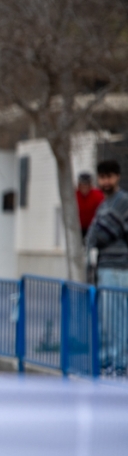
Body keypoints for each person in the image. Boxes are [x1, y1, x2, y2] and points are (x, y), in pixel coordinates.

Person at [86, 160, 128, 374]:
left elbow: (102, 233)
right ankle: (105, 362)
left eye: (109, 177)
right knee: (105, 320)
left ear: (117, 177)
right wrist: (94, 234)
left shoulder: (122, 202)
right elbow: (91, 236)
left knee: (117, 320)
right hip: (105, 269)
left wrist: (95, 234)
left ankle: (119, 365)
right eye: (102, 178)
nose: (106, 182)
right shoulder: (104, 205)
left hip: (118, 269)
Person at [76, 172, 105, 238]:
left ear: (90, 185)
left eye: (86, 185)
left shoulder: (98, 195)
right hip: (78, 229)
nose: (84, 187)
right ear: (79, 185)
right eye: (82, 185)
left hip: (94, 228)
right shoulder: (74, 196)